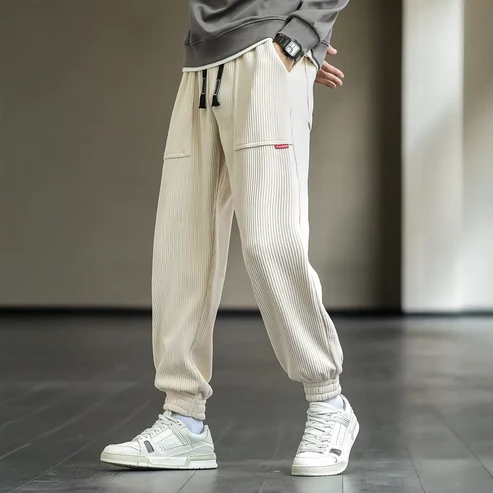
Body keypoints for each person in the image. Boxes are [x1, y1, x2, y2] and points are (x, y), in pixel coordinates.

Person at [101, 0, 358, 477]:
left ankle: (329, 402)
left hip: (269, 53)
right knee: (182, 246)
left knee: (270, 240)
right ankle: (184, 419)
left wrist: (302, 35)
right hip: (201, 62)